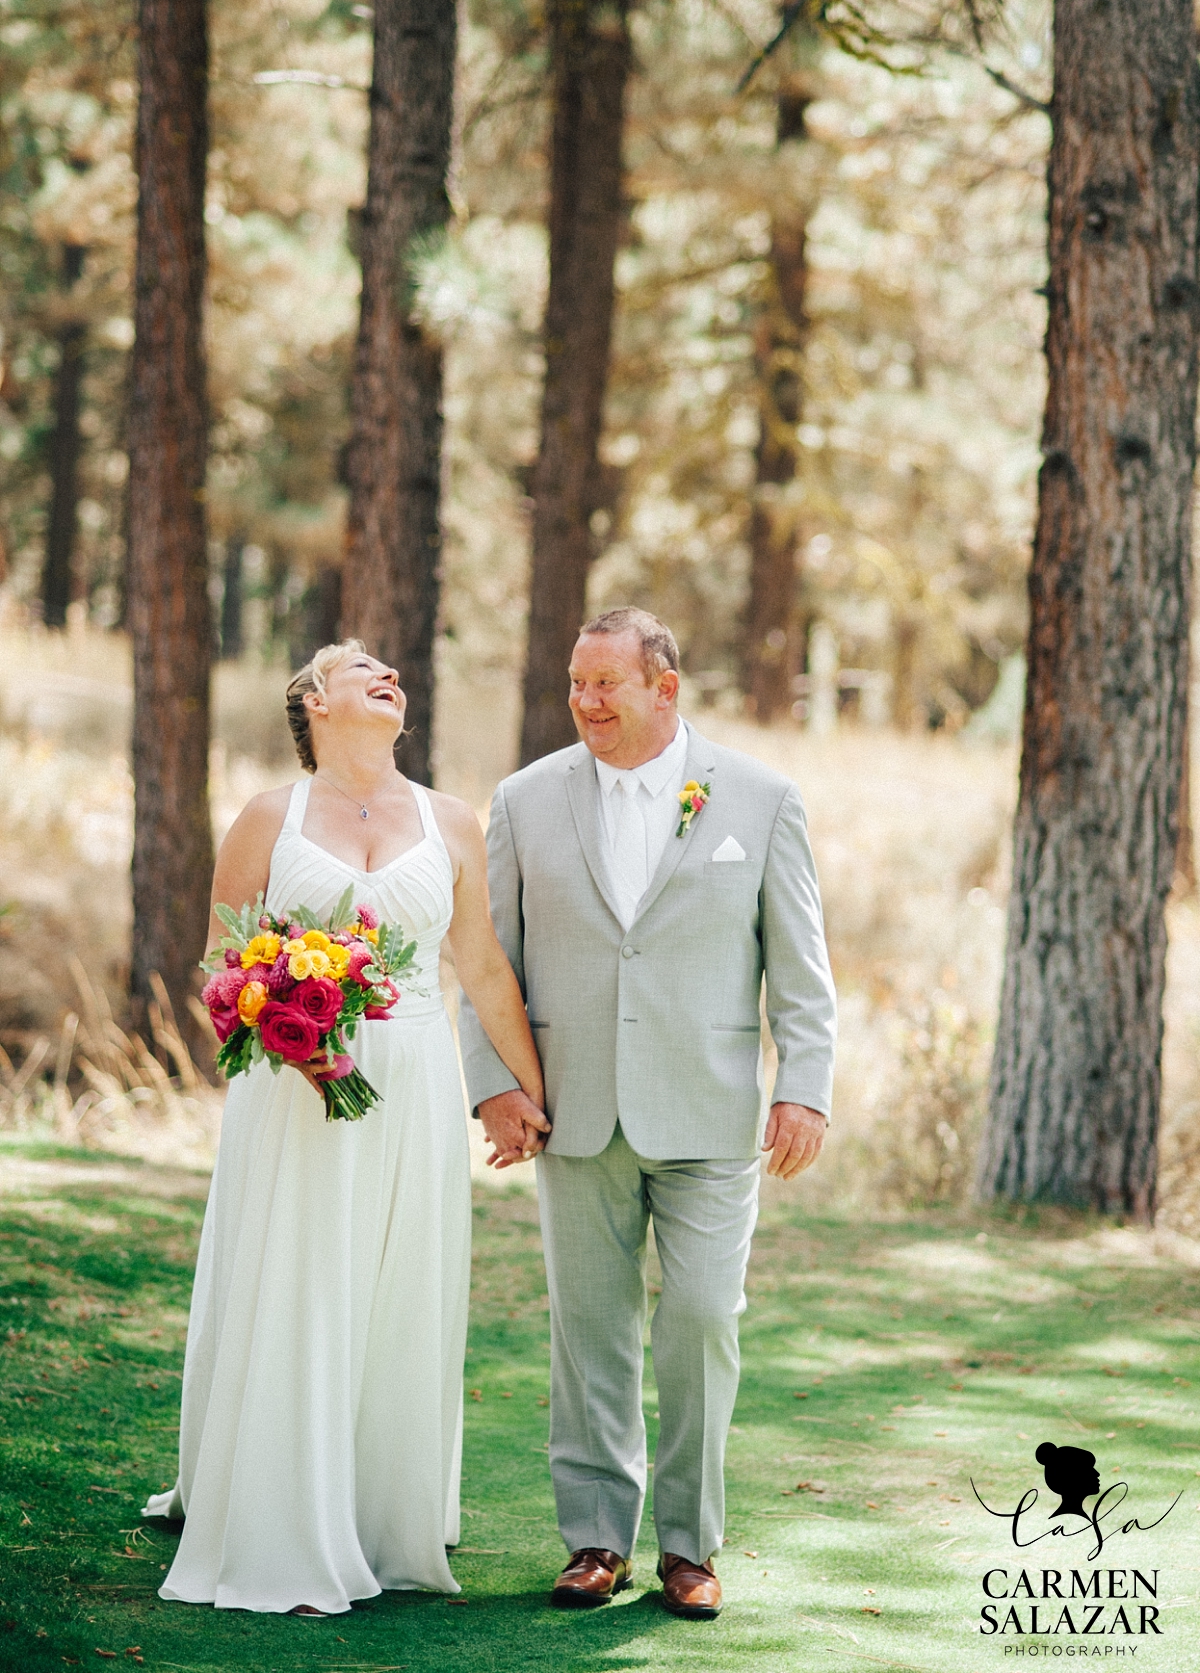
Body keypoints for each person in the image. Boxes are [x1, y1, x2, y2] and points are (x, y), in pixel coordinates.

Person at [144, 640, 548, 1616]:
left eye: (391, 670)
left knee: (397, 1288)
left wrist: (530, 1092)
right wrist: (283, 1028)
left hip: (411, 1083)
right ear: (313, 701)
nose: (385, 674)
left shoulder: (452, 821)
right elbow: (217, 965)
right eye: (357, 665)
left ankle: (379, 1518)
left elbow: (484, 967)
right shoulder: (266, 819)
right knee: (299, 1280)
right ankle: (278, 1516)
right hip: (293, 1093)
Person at [459, 607, 836, 1620]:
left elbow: (801, 965)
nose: (585, 703)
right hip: (573, 1111)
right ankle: (592, 1540)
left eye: (604, 685)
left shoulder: (759, 799)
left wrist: (805, 1082)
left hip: (712, 1115)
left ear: (663, 688)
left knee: (703, 1322)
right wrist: (492, 1081)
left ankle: (689, 1545)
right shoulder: (526, 800)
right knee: (590, 1332)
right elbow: (487, 956)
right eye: (576, 685)